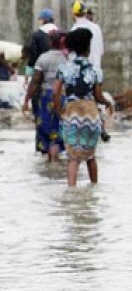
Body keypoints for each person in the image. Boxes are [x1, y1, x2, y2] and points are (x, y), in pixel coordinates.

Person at [53, 29, 114, 186]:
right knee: (91, 156)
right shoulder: (95, 70)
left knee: (73, 158)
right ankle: (94, 190)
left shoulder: (64, 68)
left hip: (72, 113)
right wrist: (108, 103)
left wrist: (58, 110)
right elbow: (98, 96)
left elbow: (56, 93)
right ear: (88, 48)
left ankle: (72, 194)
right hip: (91, 114)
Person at [22, 30, 67, 161]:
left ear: (50, 42)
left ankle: (49, 162)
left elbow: (35, 81)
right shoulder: (67, 59)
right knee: (59, 127)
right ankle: (56, 159)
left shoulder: (43, 58)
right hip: (62, 96)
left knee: (45, 127)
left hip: (45, 97)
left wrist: (26, 100)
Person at [70, 1, 109, 143]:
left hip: (80, 71)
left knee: (80, 100)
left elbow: (72, 55)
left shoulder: (74, 29)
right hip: (96, 70)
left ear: (73, 13)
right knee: (98, 98)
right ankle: (102, 128)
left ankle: (80, 130)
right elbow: (101, 51)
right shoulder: (96, 28)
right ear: (86, 12)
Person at [24, 8, 59, 80]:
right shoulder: (60, 33)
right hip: (58, 70)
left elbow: (33, 55)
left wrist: (28, 72)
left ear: (43, 20)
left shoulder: (37, 35)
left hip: (42, 71)